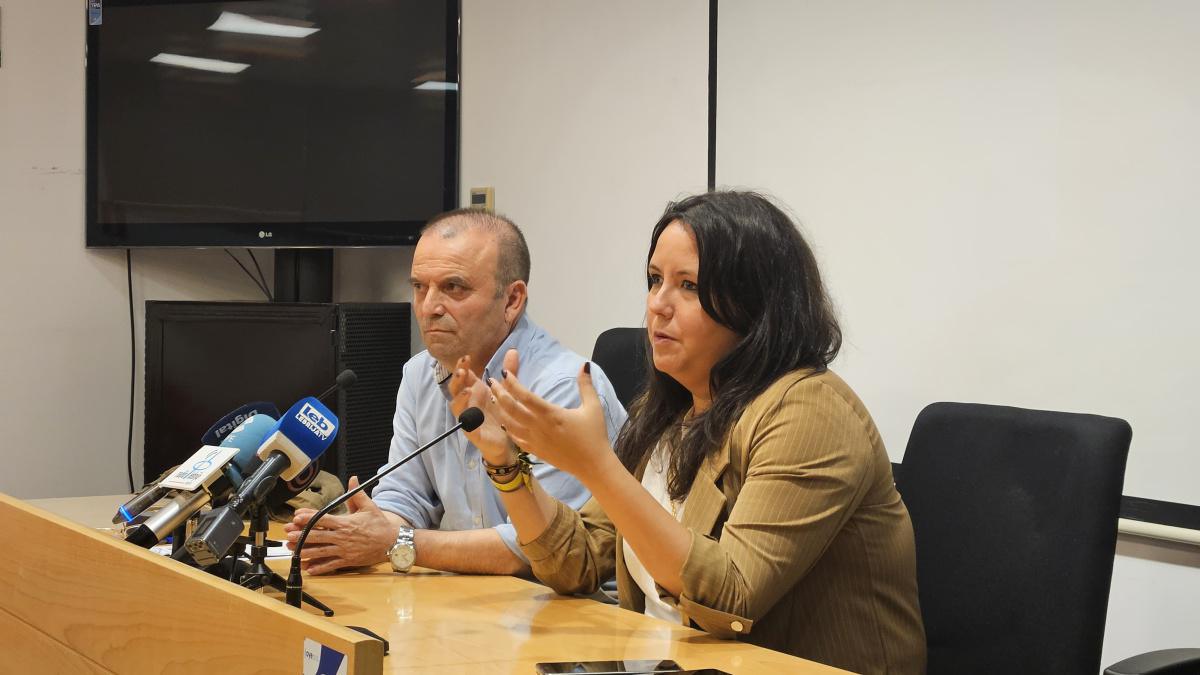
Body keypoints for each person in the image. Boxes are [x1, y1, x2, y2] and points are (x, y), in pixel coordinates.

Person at [472, 192, 926, 673]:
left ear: (756, 303)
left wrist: (597, 466)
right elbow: (576, 561)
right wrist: (505, 462)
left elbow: (732, 600)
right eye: (654, 280)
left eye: (688, 285)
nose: (657, 306)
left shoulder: (809, 411)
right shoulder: (668, 409)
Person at [284, 209, 627, 576]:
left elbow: (545, 551)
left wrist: (396, 544)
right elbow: (406, 496)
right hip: (466, 598)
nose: (429, 307)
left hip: (564, 611)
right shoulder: (420, 374)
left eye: (454, 288)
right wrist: (361, 531)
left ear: (512, 300)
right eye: (419, 287)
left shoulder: (560, 388)